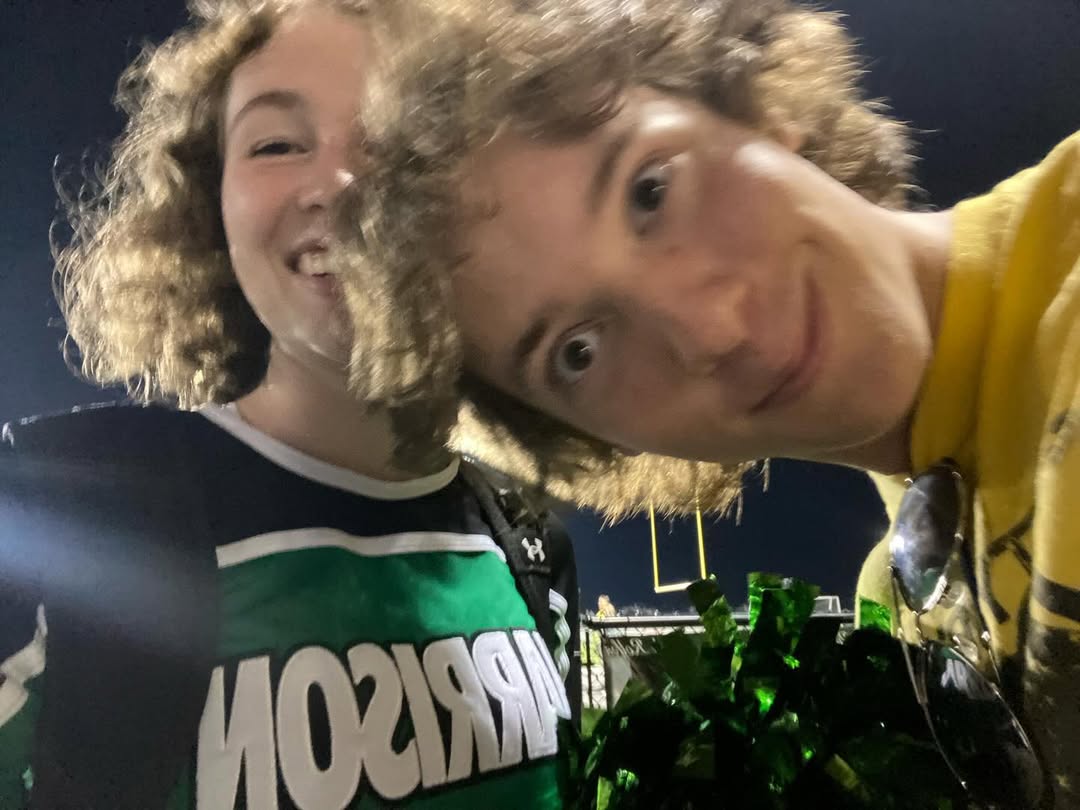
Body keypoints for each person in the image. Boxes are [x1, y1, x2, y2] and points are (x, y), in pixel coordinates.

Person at [335, 0, 1080, 804]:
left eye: (650, 191)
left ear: (753, 101)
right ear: (590, 439)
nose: (711, 329)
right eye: (578, 351)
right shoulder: (908, 602)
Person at [0, 1, 579, 807]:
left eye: (402, 137)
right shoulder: (56, 516)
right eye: (275, 143)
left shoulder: (529, 545)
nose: (340, 183)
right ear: (211, 205)